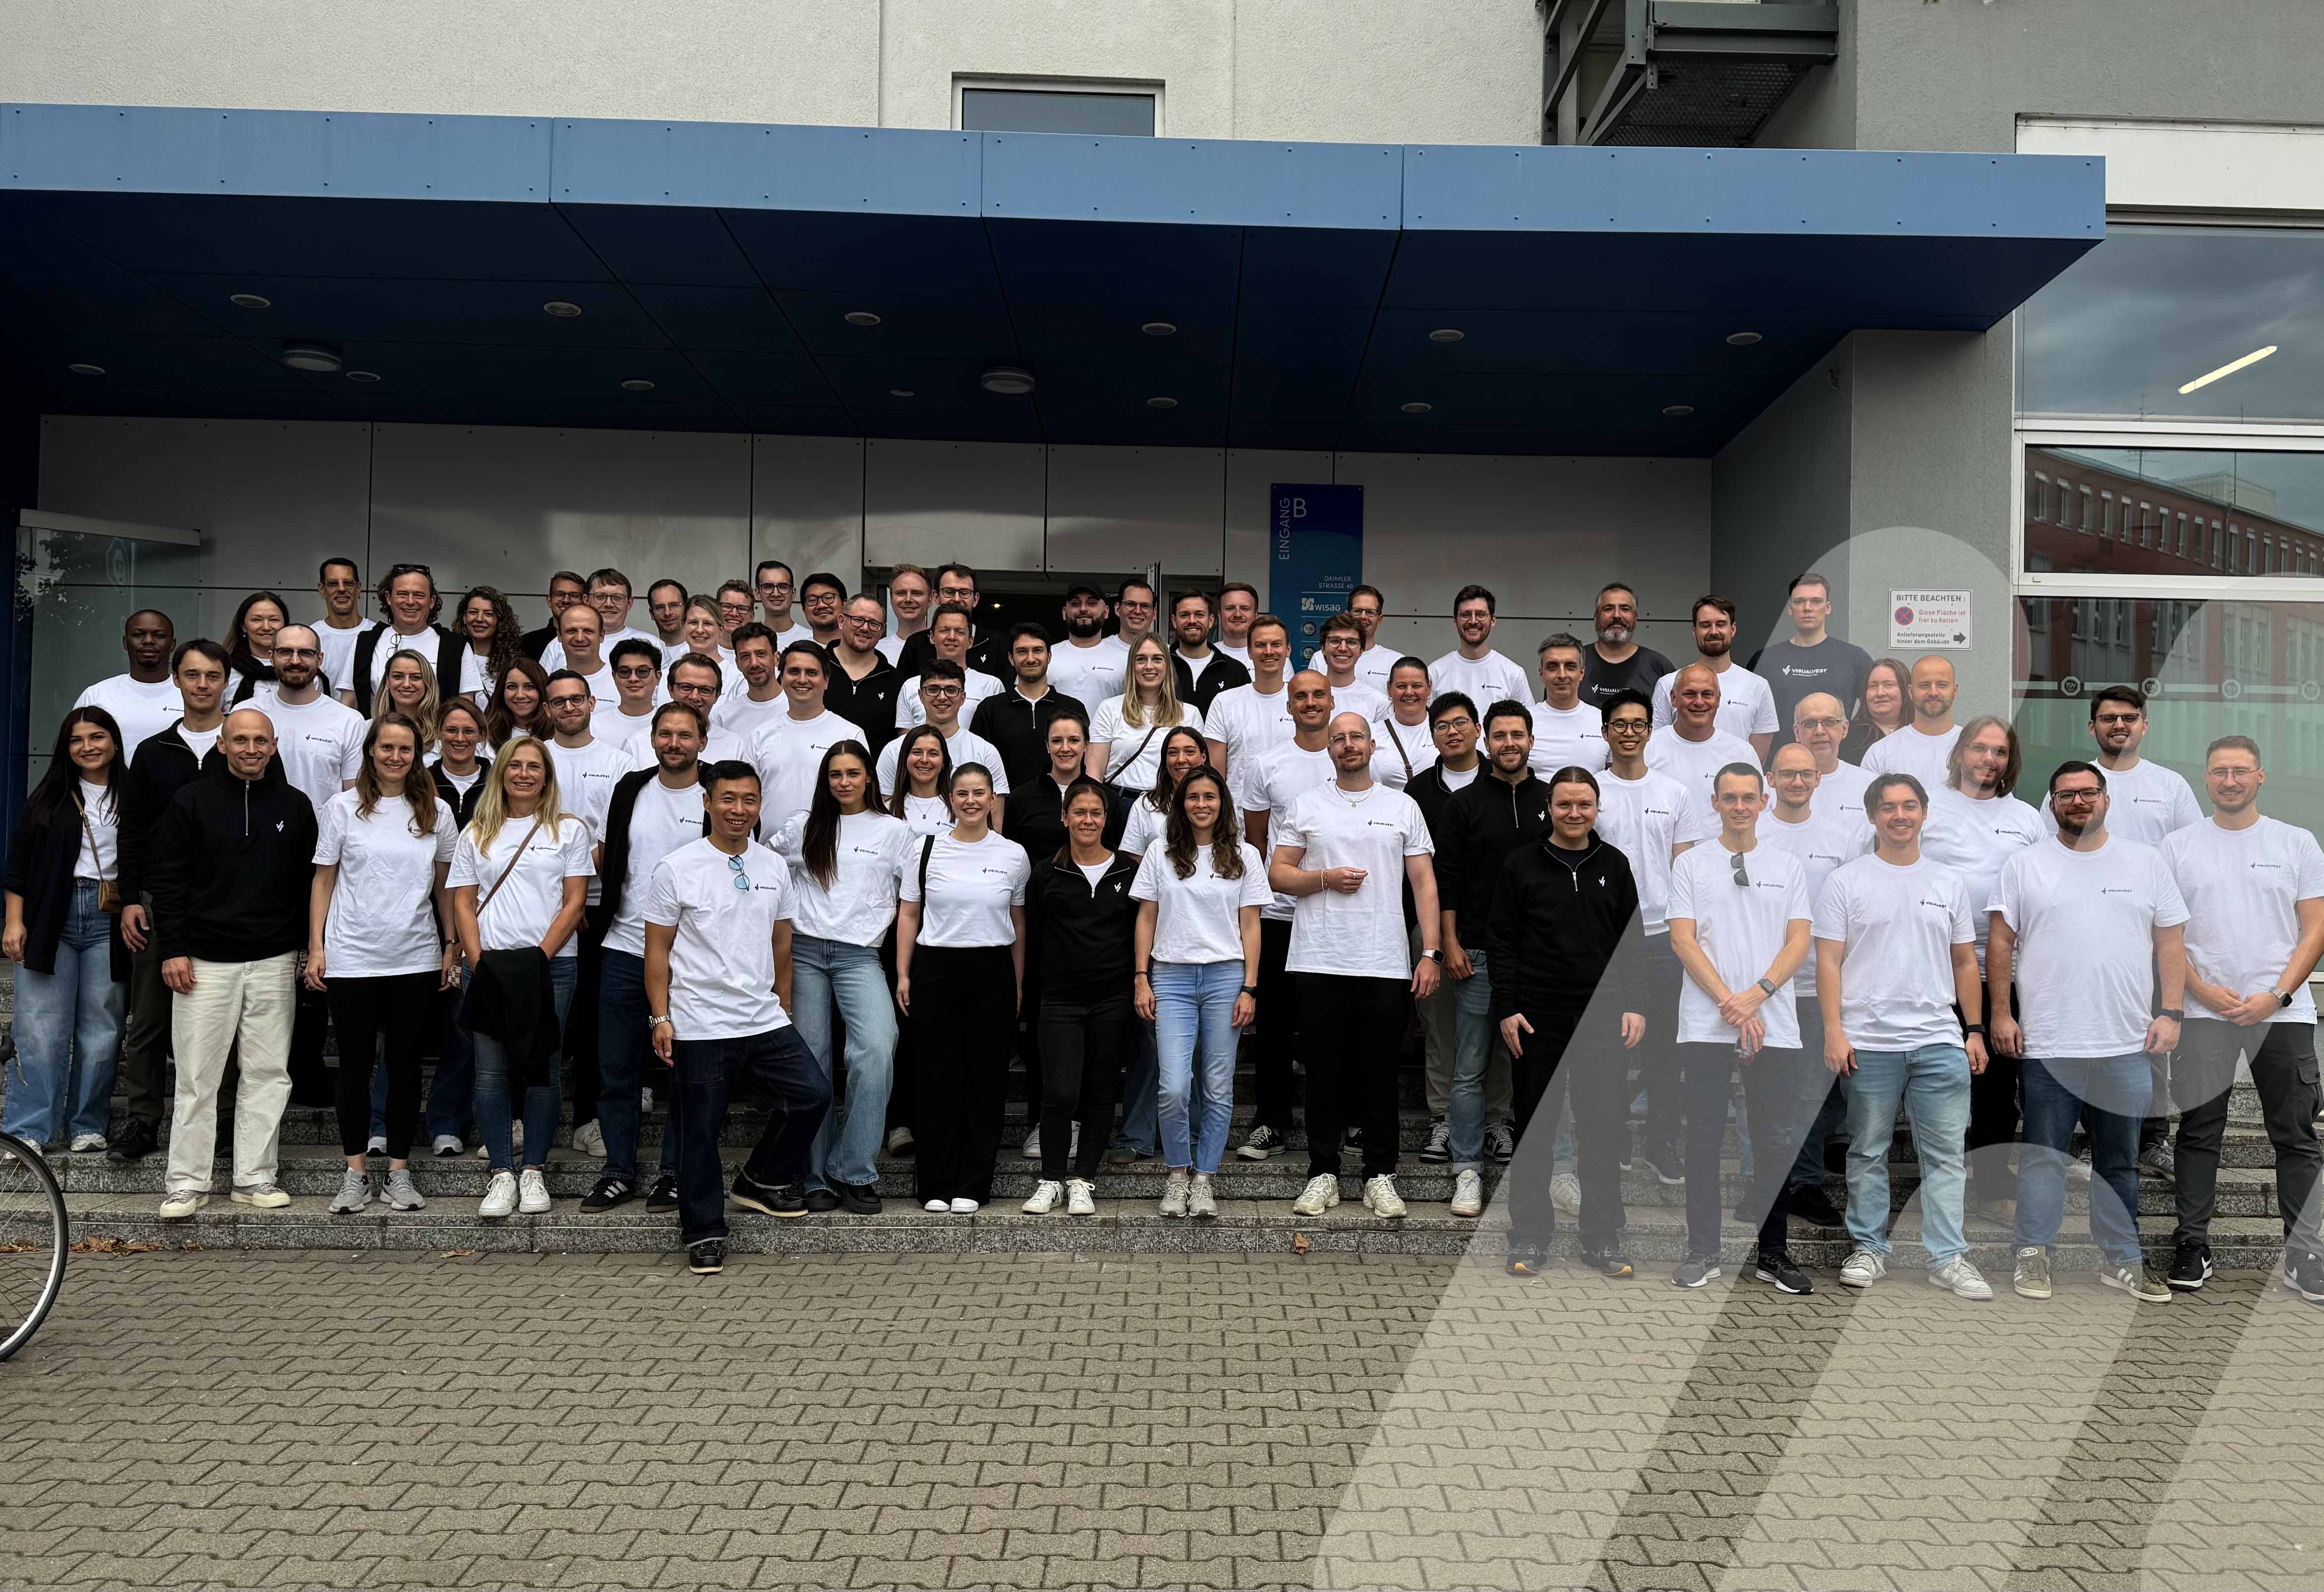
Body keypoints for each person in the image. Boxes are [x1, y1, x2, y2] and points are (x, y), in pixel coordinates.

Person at [1989, 760, 2185, 1305]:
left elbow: (2171, 942)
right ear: (2051, 803)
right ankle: (2032, 1253)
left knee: (2119, 1161)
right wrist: (2002, 1016)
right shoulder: (2025, 864)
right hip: (2051, 1043)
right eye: (2067, 794)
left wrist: (2171, 1012)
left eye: (2089, 792)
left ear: (2106, 799)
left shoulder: (2146, 863)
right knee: (2043, 1156)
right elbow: (2001, 945)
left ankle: (2122, 1260)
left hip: (2127, 1045)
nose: (2079, 802)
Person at [646, 761, 832, 1275]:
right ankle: (704, 1231)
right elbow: (657, 951)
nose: (739, 810)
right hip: (699, 1022)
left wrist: (785, 1004)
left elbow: (782, 943)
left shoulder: (774, 866)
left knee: (813, 1093)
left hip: (763, 1017)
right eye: (728, 799)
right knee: (699, 1132)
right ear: (707, 803)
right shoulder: (677, 868)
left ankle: (760, 1179)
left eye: (749, 800)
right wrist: (660, 1017)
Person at [1814, 772, 1992, 1300]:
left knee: (1944, 1156)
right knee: (1867, 1150)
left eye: (1909, 806)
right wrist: (1834, 1031)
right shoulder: (1847, 882)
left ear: (1923, 814)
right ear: (1872, 816)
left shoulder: (1947, 882)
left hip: (1938, 1038)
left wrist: (1974, 1030)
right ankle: (1869, 1249)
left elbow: (1965, 961)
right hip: (1868, 1040)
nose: (1899, 816)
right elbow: (1828, 962)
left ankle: (1948, 1257)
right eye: (1888, 807)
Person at [2161, 735, 2324, 1302]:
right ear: (2206, 779)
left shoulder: (2296, 842)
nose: (2229, 781)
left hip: (2284, 1015)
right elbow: (2167, 935)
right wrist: (2201, 992)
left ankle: (2304, 1256)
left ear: (2260, 777)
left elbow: (2316, 929)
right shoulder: (2178, 847)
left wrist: (2276, 996)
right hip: (2205, 1015)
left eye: (2239, 772)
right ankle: (2193, 1245)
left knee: (2296, 1138)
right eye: (2219, 772)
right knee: (2200, 1132)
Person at [1270, 712, 1442, 1222]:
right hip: (1318, 959)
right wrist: (1323, 878)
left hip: (1384, 962)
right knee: (1322, 1071)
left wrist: (1429, 952)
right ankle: (1322, 1172)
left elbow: (1425, 885)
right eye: (1339, 738)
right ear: (1329, 748)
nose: (1348, 745)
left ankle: (1379, 1175)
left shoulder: (1402, 806)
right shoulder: (1307, 805)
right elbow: (1278, 874)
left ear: (1372, 746)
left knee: (1379, 1074)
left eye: (1356, 737)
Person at [150, 706, 318, 1220]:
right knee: (199, 1076)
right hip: (203, 962)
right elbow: (168, 881)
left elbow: (309, 883)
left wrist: (305, 948)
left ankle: (254, 1177)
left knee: (268, 1074)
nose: (250, 749)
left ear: (273, 746)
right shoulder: (190, 802)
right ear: (222, 745)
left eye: (260, 741)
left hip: (272, 959)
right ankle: (186, 1184)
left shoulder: (296, 804)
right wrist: (172, 949)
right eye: (240, 740)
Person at [1490, 767, 1645, 1279]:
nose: (1574, 814)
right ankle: (1530, 1238)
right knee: (1535, 1129)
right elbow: (1503, 942)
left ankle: (1601, 1240)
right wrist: (1508, 1006)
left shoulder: (1615, 866)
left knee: (1602, 1131)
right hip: (1537, 1017)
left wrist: (1634, 1003)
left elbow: (1632, 942)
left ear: (1596, 808)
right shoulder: (1519, 866)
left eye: (1584, 805)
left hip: (1603, 1018)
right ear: (1549, 809)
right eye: (1564, 805)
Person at [1665, 764, 1814, 1293]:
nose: (1740, 806)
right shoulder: (1691, 864)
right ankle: (1703, 1251)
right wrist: (1730, 1001)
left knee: (1773, 1140)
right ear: (1715, 803)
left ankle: (1773, 1255)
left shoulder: (1787, 864)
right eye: (1730, 798)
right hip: (1707, 1024)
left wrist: (1757, 995)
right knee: (1704, 1138)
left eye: (1749, 797)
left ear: (1765, 801)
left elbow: (1798, 941)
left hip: (1772, 1022)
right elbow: (1683, 939)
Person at [307, 712, 456, 1216]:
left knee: (406, 1067)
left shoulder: (436, 811)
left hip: (414, 956)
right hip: (351, 957)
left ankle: (398, 1172)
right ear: (371, 751)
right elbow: (323, 881)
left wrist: (451, 943)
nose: (395, 757)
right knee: (353, 1069)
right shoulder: (341, 809)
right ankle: (355, 1175)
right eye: (386, 748)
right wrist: (317, 947)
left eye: (406, 750)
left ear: (418, 756)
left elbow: (443, 887)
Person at [447, 736, 593, 1220]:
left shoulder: (569, 831)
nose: (525, 774)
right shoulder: (476, 833)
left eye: (535, 767)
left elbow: (575, 901)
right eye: (516, 766)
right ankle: (502, 1175)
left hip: (552, 967)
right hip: (488, 966)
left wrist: (540, 958)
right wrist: (478, 959)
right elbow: (463, 902)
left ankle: (533, 1170)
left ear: (547, 776)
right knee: (490, 1073)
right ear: (502, 773)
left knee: (541, 1069)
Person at [579, 701, 708, 1212]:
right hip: (625, 946)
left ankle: (675, 1173)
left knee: (686, 1071)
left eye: (685, 735)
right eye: (666, 735)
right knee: (616, 1067)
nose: (674, 743)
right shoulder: (630, 788)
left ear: (702, 740)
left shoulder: (716, 791)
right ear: (653, 739)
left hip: (693, 957)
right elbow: (612, 856)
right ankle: (618, 1171)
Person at [774, 740, 912, 1215]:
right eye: (836, 774)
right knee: (811, 1060)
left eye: (853, 772)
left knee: (876, 1046)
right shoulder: (799, 828)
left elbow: (911, 898)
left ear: (869, 777)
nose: (845, 782)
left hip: (859, 956)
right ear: (825, 779)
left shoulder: (895, 831)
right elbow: (768, 874)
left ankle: (854, 1169)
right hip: (805, 952)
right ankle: (814, 1176)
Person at [108, 638, 229, 1164]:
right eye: (193, 675)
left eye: (213, 676)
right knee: (151, 1018)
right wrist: (131, 898)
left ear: (226, 682)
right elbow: (132, 830)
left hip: (228, 905)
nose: (203, 685)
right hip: (160, 902)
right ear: (177, 681)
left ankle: (221, 1124)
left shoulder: (246, 745)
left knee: (224, 1019)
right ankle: (142, 1119)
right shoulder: (154, 752)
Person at [1919, 715, 2042, 1223]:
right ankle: (1936, 1185)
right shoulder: (1925, 805)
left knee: (1996, 1081)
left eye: (1999, 752)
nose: (1988, 760)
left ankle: (1992, 1184)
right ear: (1960, 753)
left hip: (2000, 969)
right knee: (1935, 1079)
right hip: (1932, 963)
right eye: (1979, 749)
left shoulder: (2028, 818)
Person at [1432, 700, 1552, 1216]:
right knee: (1469, 1067)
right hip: (1477, 952)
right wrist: (1450, 943)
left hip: (1542, 954)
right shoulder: (1464, 804)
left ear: (1530, 739)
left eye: (1517, 735)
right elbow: (1448, 881)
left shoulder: (1553, 799)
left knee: (1543, 1066)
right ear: (1486, 739)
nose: (1509, 744)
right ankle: (1466, 1170)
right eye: (1500, 735)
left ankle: (1550, 1168)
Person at [1131, 766, 1265, 1221]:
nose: (1201, 804)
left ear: (1222, 803)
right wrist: (1141, 976)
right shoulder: (1160, 852)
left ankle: (1204, 1177)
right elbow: (1146, 917)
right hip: (1170, 977)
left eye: (1210, 796)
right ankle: (1176, 1174)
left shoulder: (1245, 855)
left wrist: (1250, 986)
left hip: (1226, 977)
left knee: (1217, 1085)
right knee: (1172, 1085)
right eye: (1193, 797)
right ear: (1181, 803)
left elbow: (1251, 924)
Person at [897, 763, 1029, 1213]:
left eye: (980, 793)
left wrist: (1016, 982)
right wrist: (903, 973)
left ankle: (973, 1184)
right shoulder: (925, 849)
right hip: (936, 966)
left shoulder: (1013, 854)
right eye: (962, 793)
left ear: (993, 799)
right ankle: (935, 1182)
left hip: (992, 967)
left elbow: (1017, 923)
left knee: (986, 1079)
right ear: (949, 799)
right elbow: (909, 915)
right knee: (936, 1077)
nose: (971, 801)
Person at [1596, 690, 1711, 1186]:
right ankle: (1613, 1138)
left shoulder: (1674, 793)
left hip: (1663, 938)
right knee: (1610, 1046)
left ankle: (1661, 1144)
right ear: (1605, 732)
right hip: (1607, 941)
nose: (1628, 732)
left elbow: (1686, 867)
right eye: (1619, 724)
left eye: (1638, 724)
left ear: (1650, 731)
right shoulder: (1592, 790)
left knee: (1665, 1047)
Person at [3, 706, 128, 1155]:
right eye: (77, 740)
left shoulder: (132, 795)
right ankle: (29, 1130)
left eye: (97, 737)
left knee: (103, 1027)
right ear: (66, 747)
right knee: (38, 1027)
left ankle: (87, 1125)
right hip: (49, 917)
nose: (88, 747)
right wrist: (14, 922)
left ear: (114, 742)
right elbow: (16, 866)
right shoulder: (49, 796)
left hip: (108, 919)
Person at [1754, 742, 1869, 1231]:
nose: (1798, 782)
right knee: (1762, 1092)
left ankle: (1803, 1183)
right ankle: (1762, 1184)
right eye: (1787, 774)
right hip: (1764, 987)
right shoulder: (1753, 833)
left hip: (1821, 985)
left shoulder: (1843, 836)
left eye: (1806, 774)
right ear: (1771, 779)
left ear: (1819, 779)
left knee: (1812, 1092)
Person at [1235, 669, 1339, 1161]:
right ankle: (1271, 1122)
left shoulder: (1352, 757)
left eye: (1319, 695)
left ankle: (1338, 1119)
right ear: (1290, 705)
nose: (1311, 703)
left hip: (1335, 914)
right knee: (1274, 1025)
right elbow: (1257, 841)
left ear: (1331, 700)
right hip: (1278, 915)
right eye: (1302, 696)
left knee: (1331, 1024)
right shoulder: (1267, 764)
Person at [1023, 778, 1139, 1212]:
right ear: (1065, 817)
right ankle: (1051, 1179)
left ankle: (1082, 1180)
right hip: (1059, 1000)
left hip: (1112, 999)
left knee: (1099, 1091)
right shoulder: (1045, 873)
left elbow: (1139, 933)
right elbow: (1032, 938)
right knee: (1060, 1093)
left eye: (1096, 813)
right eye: (1080, 812)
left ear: (1106, 819)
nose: (1087, 820)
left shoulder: (1128, 871)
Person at [262, 624, 366, 1106]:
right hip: (259, 860)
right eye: (287, 652)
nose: (296, 660)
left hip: (324, 861)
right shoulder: (250, 712)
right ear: (272, 656)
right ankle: (263, 1073)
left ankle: (306, 1070)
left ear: (320, 658)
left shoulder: (347, 721)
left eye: (306, 652)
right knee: (267, 968)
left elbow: (353, 798)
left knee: (316, 969)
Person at [1407, 693, 1488, 1164]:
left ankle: (1496, 1119)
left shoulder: (1506, 782)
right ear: (1432, 734)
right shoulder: (1418, 793)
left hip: (1494, 930)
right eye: (1442, 725)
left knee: (1495, 1028)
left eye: (1461, 722)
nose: (1452, 731)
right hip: (1432, 928)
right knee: (1439, 1027)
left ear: (1478, 729)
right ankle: (1441, 1119)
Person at [421, 697, 494, 1155]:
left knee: (469, 1029)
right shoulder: (420, 780)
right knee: (415, 1028)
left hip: (488, 917)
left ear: (482, 734)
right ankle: (394, 1125)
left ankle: (454, 1121)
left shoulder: (498, 779)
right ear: (438, 734)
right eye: (452, 730)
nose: (460, 738)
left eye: (469, 730)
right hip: (424, 917)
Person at [1747, 572, 1872, 745]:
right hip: (1779, 766)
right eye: (1800, 602)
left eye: (1816, 601)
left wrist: (1853, 738)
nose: (1807, 608)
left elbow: (1876, 707)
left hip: (1837, 763)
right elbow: (1748, 715)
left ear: (1828, 607)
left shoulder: (1855, 658)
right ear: (1790, 609)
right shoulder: (1765, 660)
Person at [874, 661, 1008, 817]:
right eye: (933, 690)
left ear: (963, 698)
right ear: (921, 696)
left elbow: (995, 823)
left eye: (951, 690)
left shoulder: (985, 752)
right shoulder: (894, 751)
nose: (942, 697)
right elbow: (883, 817)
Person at [1651, 595, 1776, 762]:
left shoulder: (1758, 686)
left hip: (1734, 786)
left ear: (1733, 629)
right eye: (1705, 625)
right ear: (1694, 631)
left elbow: (1757, 761)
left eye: (1721, 624)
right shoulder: (1668, 684)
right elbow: (1654, 745)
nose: (1714, 631)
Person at [749, 642, 858, 831]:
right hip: (771, 852)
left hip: (832, 852)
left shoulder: (849, 735)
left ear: (826, 681)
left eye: (812, 673)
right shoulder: (760, 735)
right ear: (781, 679)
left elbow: (860, 803)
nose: (802, 679)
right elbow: (747, 797)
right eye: (793, 671)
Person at [1089, 635, 1207, 801]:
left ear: (1167, 665)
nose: (1149, 666)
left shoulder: (1189, 714)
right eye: (1141, 660)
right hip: (1121, 803)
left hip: (1172, 804)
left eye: (1157, 659)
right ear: (1132, 666)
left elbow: (1198, 771)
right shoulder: (1109, 709)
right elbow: (1094, 774)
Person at [972, 622, 1088, 792]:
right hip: (1006, 811)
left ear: (1049, 656)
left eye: (1038, 651)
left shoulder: (1073, 708)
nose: (1031, 658)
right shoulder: (990, 710)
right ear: (1011, 658)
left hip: (1063, 809)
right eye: (1022, 652)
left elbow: (1086, 763)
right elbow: (976, 767)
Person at [1644, 663, 1758, 821]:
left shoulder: (1742, 753)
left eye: (1707, 694)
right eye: (1690, 694)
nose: (1699, 702)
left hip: (1722, 846)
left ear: (1718, 699)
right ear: (1674, 698)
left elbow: (1758, 814)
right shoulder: (1647, 749)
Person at [349, 563, 465, 714]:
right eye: (403, 594)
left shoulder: (456, 647)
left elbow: (466, 706)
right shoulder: (364, 643)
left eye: (419, 595)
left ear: (431, 601)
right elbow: (349, 703)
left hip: (434, 737)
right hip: (378, 735)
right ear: (389, 598)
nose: (411, 602)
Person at [73, 609, 181, 765]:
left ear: (172, 645)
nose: (149, 641)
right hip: (113, 788)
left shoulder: (192, 695)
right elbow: (73, 750)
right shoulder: (97, 695)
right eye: (139, 635)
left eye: (159, 636)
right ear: (125, 643)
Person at [1204, 614, 1294, 799]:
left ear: (1288, 650)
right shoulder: (1225, 703)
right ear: (1250, 652)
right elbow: (1215, 775)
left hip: (1293, 814)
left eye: (1276, 645)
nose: (1269, 651)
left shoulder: (1304, 704)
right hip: (1239, 816)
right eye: (1261, 645)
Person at [1857, 655, 1961, 791]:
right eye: (1925, 685)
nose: (1933, 692)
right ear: (1911, 692)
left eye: (1942, 685)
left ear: (1955, 690)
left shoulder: (1972, 746)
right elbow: (1866, 808)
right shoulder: (1881, 752)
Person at [1001, 709, 1089, 864]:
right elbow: (1010, 856)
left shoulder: (1105, 798)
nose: (1065, 748)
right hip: (1035, 886)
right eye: (1057, 741)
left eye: (1074, 740)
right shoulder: (1021, 798)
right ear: (1047, 746)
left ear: (1086, 745)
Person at [897, 604, 1003, 729]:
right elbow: (904, 743)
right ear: (932, 637)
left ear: (970, 641)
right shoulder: (911, 686)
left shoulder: (992, 686)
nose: (952, 637)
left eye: (960, 632)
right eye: (944, 631)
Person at [1427, 586, 1531, 709]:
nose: (1473, 621)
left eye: (1481, 614)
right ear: (1455, 621)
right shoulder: (1435, 673)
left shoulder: (1513, 674)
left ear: (1493, 620)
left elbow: (1527, 724)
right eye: (1465, 615)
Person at [896, 564, 1006, 679]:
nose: (957, 599)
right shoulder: (916, 644)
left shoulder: (996, 643)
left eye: (964, 593)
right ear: (936, 596)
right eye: (949, 592)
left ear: (976, 599)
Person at [824, 594, 904, 752]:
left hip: (874, 775)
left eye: (874, 624)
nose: (865, 628)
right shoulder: (815, 671)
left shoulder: (897, 682)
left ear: (882, 631)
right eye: (858, 620)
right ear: (842, 621)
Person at [541, 567, 656, 673]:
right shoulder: (559, 644)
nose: (608, 604)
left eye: (617, 598)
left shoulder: (652, 644)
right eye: (600, 597)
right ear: (586, 600)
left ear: (630, 603)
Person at [1581, 582, 1675, 710]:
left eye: (1625, 609)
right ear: (1596, 618)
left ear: (1635, 619)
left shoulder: (1659, 668)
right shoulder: (1575, 662)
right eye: (1608, 609)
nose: (1617, 615)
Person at [1790, 692, 1867, 826]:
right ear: (1797, 732)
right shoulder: (1774, 788)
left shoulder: (1867, 785)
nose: (1820, 731)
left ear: (1845, 729)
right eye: (1810, 723)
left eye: (1829, 722)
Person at [1168, 590, 1250, 715]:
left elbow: (1245, 719)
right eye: (1184, 615)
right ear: (1174, 621)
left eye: (1199, 615)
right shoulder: (1161, 667)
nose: (1192, 621)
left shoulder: (1235, 671)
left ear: (1211, 621)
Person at [1048, 582, 1129, 708]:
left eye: (1091, 604)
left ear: (1106, 612)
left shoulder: (1125, 658)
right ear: (1064, 613)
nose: (1083, 609)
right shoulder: (1047, 656)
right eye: (1076, 604)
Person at [664, 653, 747, 764]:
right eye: (686, 688)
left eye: (705, 690)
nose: (694, 697)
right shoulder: (639, 744)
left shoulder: (735, 746)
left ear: (717, 696)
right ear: (671, 689)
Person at [1368, 659, 1438, 791]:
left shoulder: (1444, 731)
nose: (1409, 692)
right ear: (1389, 689)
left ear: (1429, 688)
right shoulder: (1373, 734)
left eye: (1417, 686)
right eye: (1401, 686)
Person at [712, 622, 787, 743]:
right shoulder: (723, 717)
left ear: (776, 658)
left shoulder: (797, 708)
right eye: (746, 656)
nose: (754, 663)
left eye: (761, 654)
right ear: (738, 663)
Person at [594, 638, 667, 762]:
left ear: (658, 677)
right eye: (624, 672)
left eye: (643, 672)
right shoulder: (594, 726)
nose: (633, 679)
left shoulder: (670, 724)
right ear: (614, 676)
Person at [313, 557, 377, 695]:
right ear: (322, 590)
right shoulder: (310, 637)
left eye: (348, 583)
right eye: (333, 584)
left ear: (358, 588)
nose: (341, 589)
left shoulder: (377, 635)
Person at [452, 586, 523, 709]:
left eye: (488, 614)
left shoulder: (512, 661)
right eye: (473, 612)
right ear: (464, 617)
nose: (479, 619)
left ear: (500, 620)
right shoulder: (451, 656)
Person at [1316, 611, 1392, 724]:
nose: (1343, 648)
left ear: (1361, 650)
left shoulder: (1378, 702)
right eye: (1335, 641)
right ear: (1323, 648)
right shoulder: (1306, 698)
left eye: (1352, 642)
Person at [885, 724, 958, 837]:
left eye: (933, 754)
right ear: (905, 758)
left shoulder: (958, 808)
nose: (924, 760)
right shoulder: (887, 809)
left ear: (944, 762)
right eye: (917, 752)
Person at [548, 602, 619, 712]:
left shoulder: (621, 681)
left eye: (588, 631)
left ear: (602, 636)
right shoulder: (549, 683)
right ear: (560, 635)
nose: (580, 638)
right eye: (571, 631)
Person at [222, 590, 290, 705]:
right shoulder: (225, 669)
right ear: (244, 626)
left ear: (285, 625)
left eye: (274, 620)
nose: (266, 627)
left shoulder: (300, 669)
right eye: (257, 620)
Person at [1844, 656, 1913, 765]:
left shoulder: (1919, 734)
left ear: (1906, 691)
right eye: (1873, 686)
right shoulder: (1848, 739)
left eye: (1889, 685)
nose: (1880, 693)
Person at [370, 650, 442, 751]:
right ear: (387, 680)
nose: (407, 684)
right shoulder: (366, 729)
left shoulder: (443, 732)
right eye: (398, 677)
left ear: (427, 683)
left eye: (415, 678)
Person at [1344, 586, 1406, 696]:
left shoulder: (1396, 662)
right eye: (1357, 611)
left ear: (1380, 620)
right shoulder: (1322, 658)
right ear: (1347, 616)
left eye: (1370, 612)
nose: (1363, 617)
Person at [483, 656, 553, 750]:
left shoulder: (557, 734)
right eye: (512, 687)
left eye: (529, 687)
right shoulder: (486, 736)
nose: (520, 695)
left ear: (541, 691)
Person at [519, 571, 588, 660]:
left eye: (574, 596)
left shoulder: (594, 643)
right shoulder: (526, 644)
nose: (566, 600)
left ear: (585, 601)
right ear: (549, 601)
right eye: (559, 594)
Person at [875, 563, 932, 665]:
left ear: (931, 599)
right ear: (891, 600)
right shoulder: (876, 651)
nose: (908, 599)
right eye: (901, 593)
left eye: (917, 593)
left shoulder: (944, 648)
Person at [753, 559, 813, 649]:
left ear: (793, 593)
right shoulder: (749, 641)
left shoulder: (811, 640)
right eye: (768, 587)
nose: (776, 594)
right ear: (758, 593)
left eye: (783, 587)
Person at [680, 594, 737, 679]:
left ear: (721, 629)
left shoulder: (736, 677)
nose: (700, 630)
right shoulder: (668, 674)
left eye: (708, 624)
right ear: (683, 626)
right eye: (693, 623)